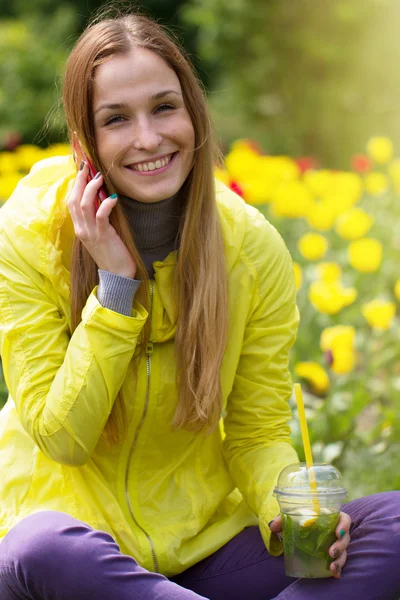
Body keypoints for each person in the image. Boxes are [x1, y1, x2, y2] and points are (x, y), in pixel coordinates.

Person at [0, 8, 399, 600]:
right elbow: (65, 438)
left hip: (201, 553)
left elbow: (256, 430)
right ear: (86, 141)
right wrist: (114, 286)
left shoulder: (249, 245)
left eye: (164, 107)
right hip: (77, 558)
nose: (148, 138)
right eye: (116, 119)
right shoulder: (27, 236)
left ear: (193, 113)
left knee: (391, 524)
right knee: (41, 548)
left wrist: (282, 509)